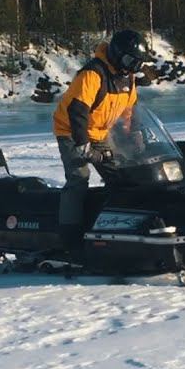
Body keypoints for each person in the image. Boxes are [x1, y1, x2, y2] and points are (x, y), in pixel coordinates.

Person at [52, 28, 150, 253]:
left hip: (99, 131)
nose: (132, 68)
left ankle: (117, 226)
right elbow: (77, 111)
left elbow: (129, 110)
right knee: (78, 177)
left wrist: (134, 136)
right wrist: (83, 147)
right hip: (71, 130)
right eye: (130, 61)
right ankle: (70, 237)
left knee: (120, 173)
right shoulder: (93, 74)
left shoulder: (127, 78)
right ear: (116, 53)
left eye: (137, 64)